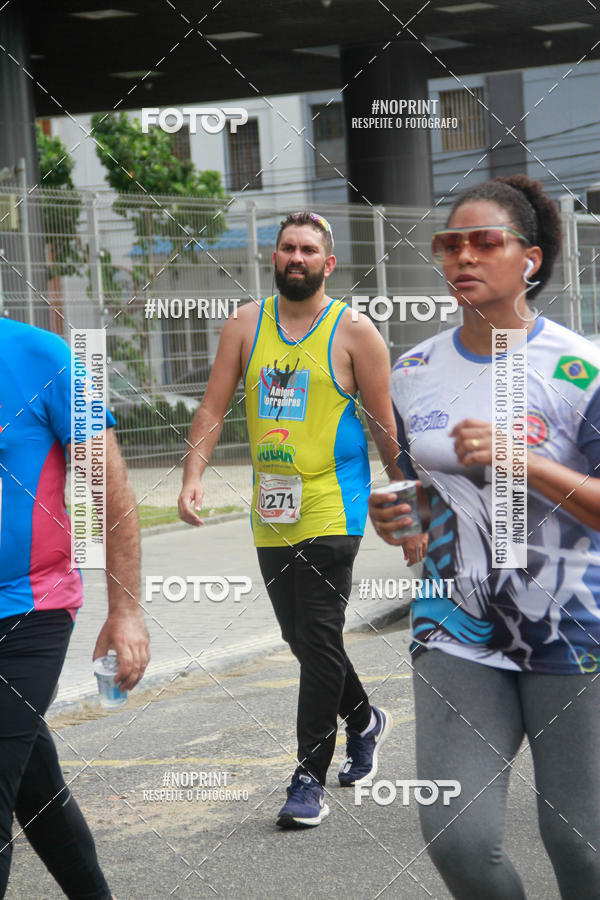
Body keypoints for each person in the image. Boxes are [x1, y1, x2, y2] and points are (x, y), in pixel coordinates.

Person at [370, 174, 600, 898]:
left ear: (529, 259)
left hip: (571, 627)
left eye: (484, 242)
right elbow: (429, 492)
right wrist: (399, 517)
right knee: (459, 841)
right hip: (454, 624)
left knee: (582, 847)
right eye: (450, 244)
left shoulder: (580, 369)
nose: (462, 256)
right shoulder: (414, 371)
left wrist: (521, 459)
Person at [178, 211, 413, 828]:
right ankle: (364, 719)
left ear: (328, 263)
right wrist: (194, 474)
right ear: (274, 256)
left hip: (335, 501)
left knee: (318, 631)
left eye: (309, 249)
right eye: (288, 247)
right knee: (305, 639)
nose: (297, 257)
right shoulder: (245, 324)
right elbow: (212, 407)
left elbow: (385, 424)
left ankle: (309, 778)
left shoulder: (355, 331)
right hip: (271, 506)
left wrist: (407, 502)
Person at [0, 316, 150, 898]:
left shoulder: (44, 357)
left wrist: (125, 611)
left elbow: (107, 492)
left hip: (29, 607)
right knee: (34, 786)